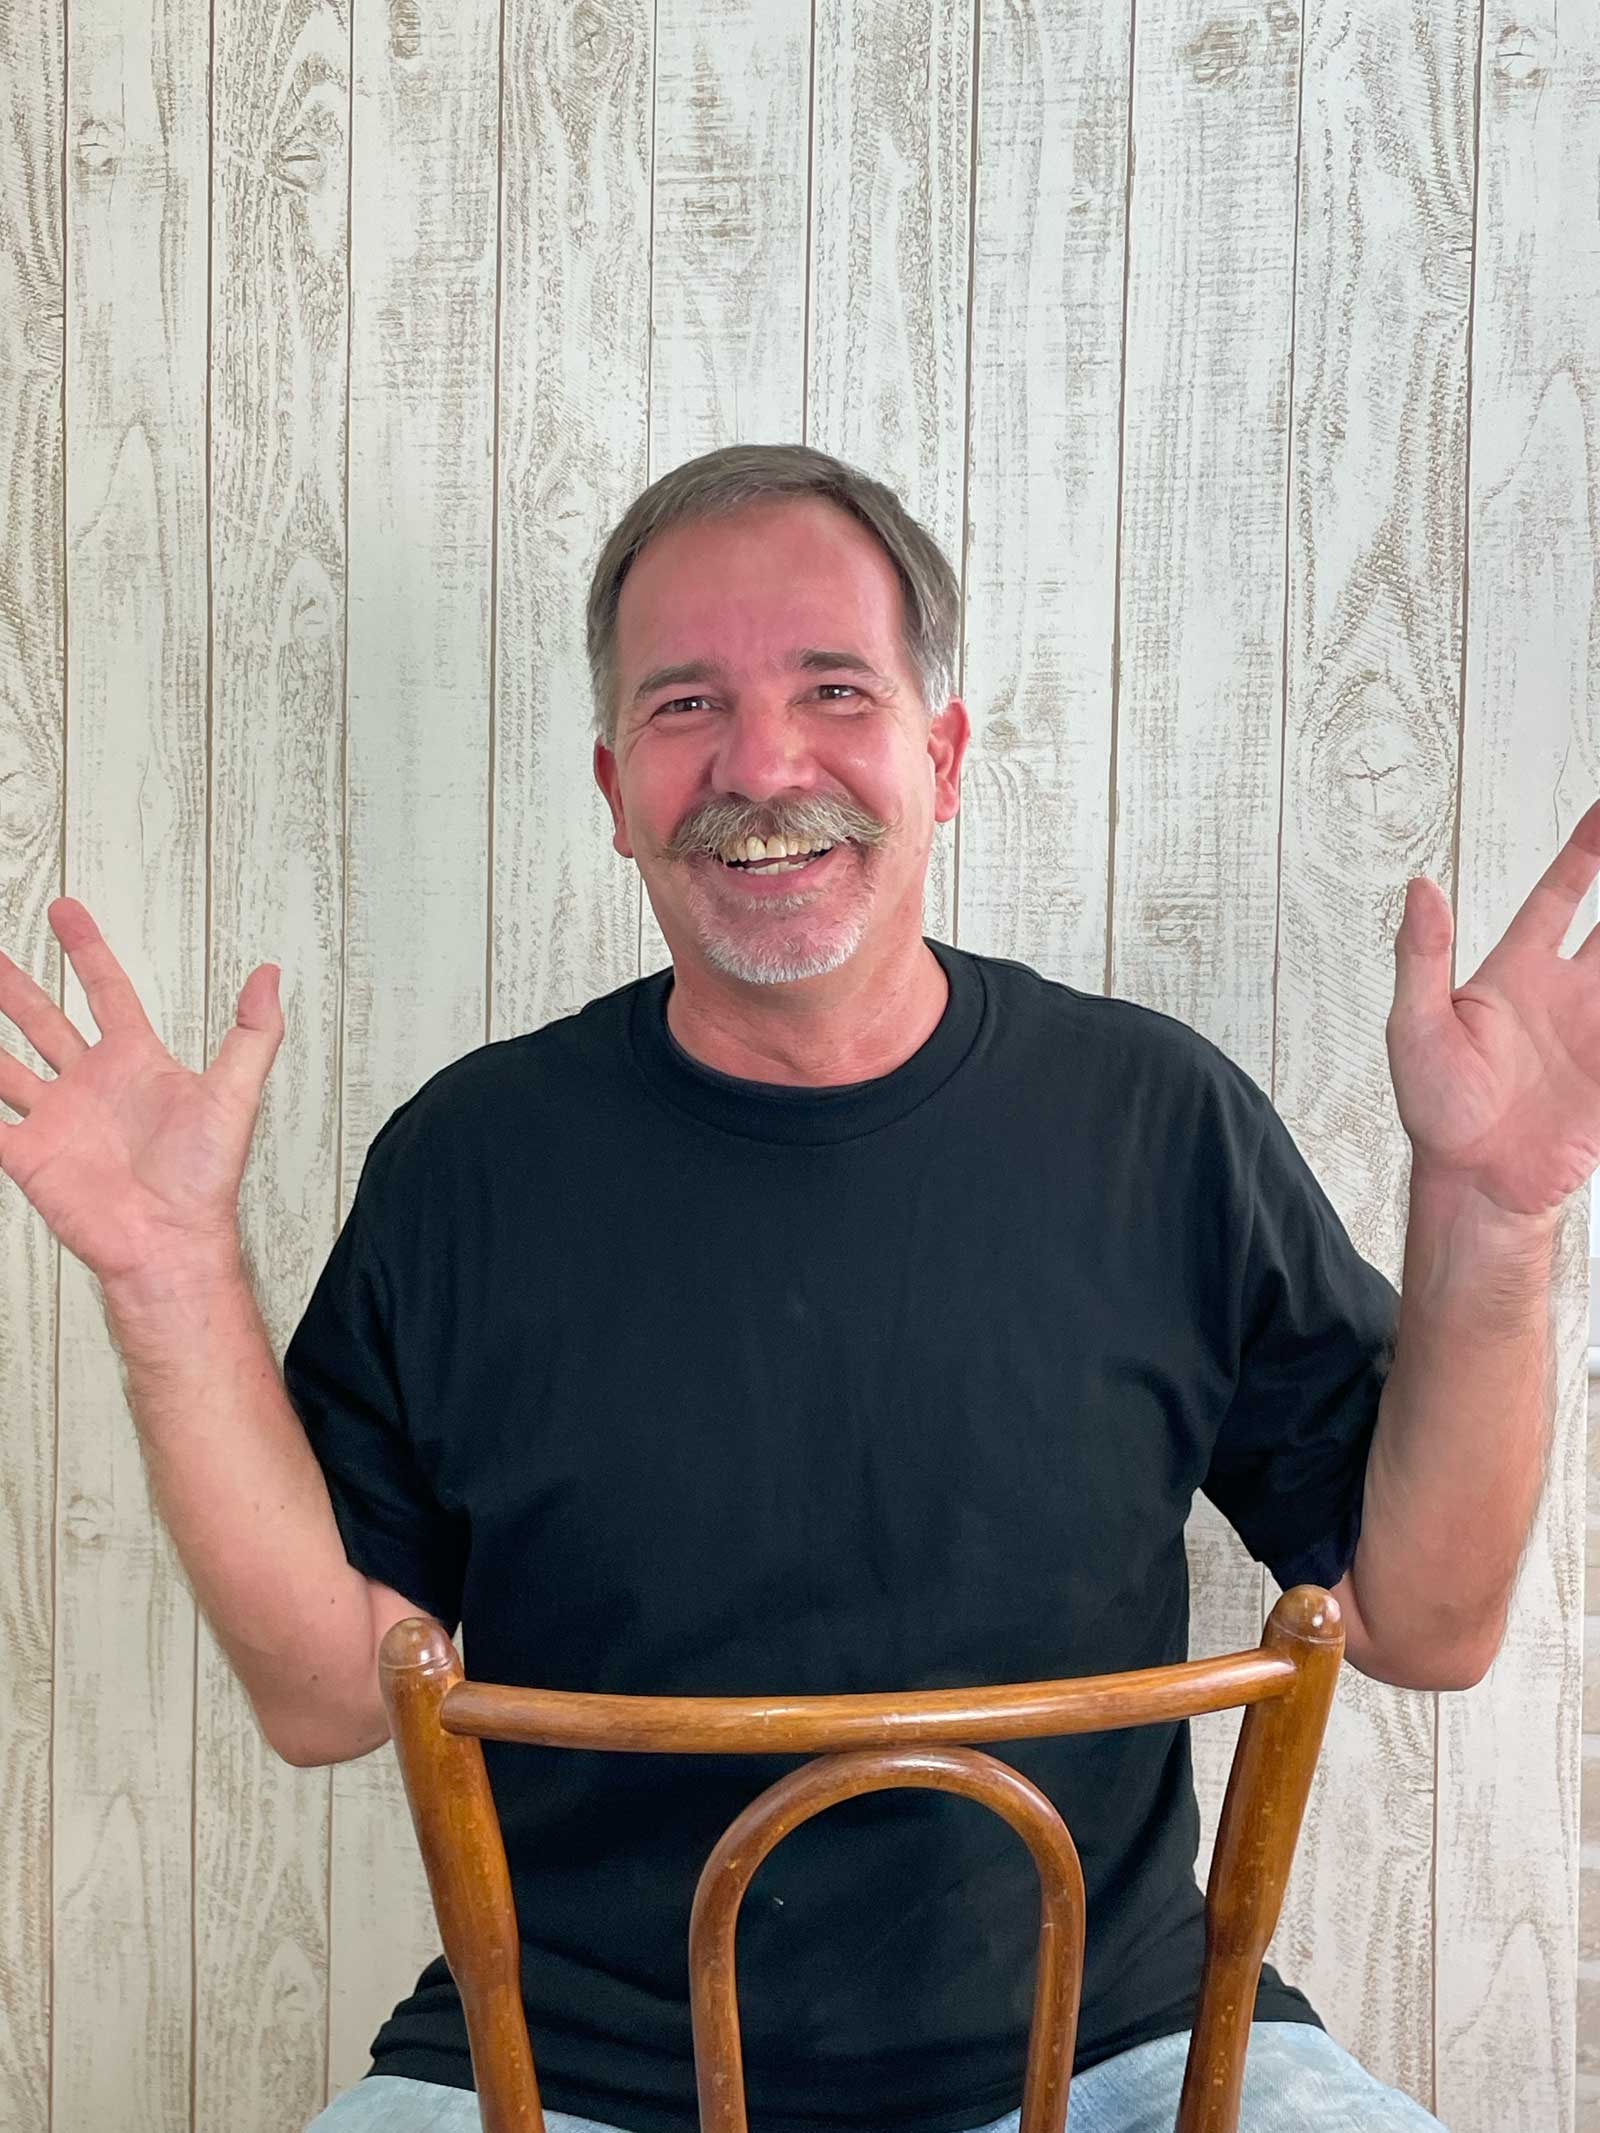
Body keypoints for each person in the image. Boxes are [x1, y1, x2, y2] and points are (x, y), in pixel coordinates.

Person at [0, 443, 1585, 2133]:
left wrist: (1494, 1218)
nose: (760, 765)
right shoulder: (468, 1166)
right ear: (615, 788)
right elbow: (327, 1695)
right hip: (563, 2074)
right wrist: (167, 1275)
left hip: (1127, 2050)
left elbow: (1425, 1622)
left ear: (940, 756)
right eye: (686, 705)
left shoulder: (1158, 1122)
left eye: (834, 689)